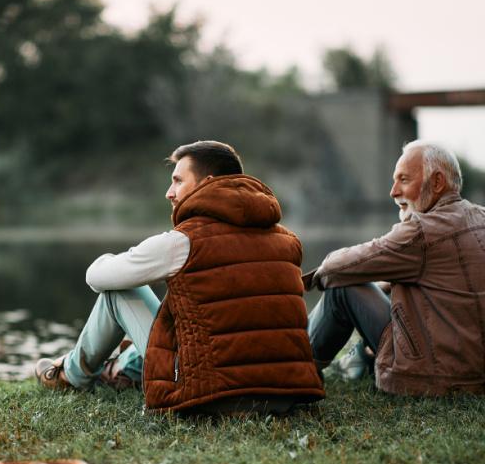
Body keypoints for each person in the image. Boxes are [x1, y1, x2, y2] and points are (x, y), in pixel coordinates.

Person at [35, 141, 325, 414]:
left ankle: (70, 376)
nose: (169, 192)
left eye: (178, 180)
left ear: (208, 183)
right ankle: (121, 369)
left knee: (118, 292)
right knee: (180, 315)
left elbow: (97, 278)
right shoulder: (288, 241)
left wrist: (111, 259)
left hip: (211, 395)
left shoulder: (183, 242)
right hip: (287, 392)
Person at [305, 140, 485, 396]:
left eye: (403, 179)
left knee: (342, 287)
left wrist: (305, 281)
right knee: (386, 286)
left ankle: (297, 366)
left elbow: (337, 268)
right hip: (476, 374)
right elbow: (446, 285)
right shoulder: (480, 217)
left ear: (436, 183)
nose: (392, 191)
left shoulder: (421, 231)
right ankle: (353, 360)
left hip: (433, 377)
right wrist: (382, 285)